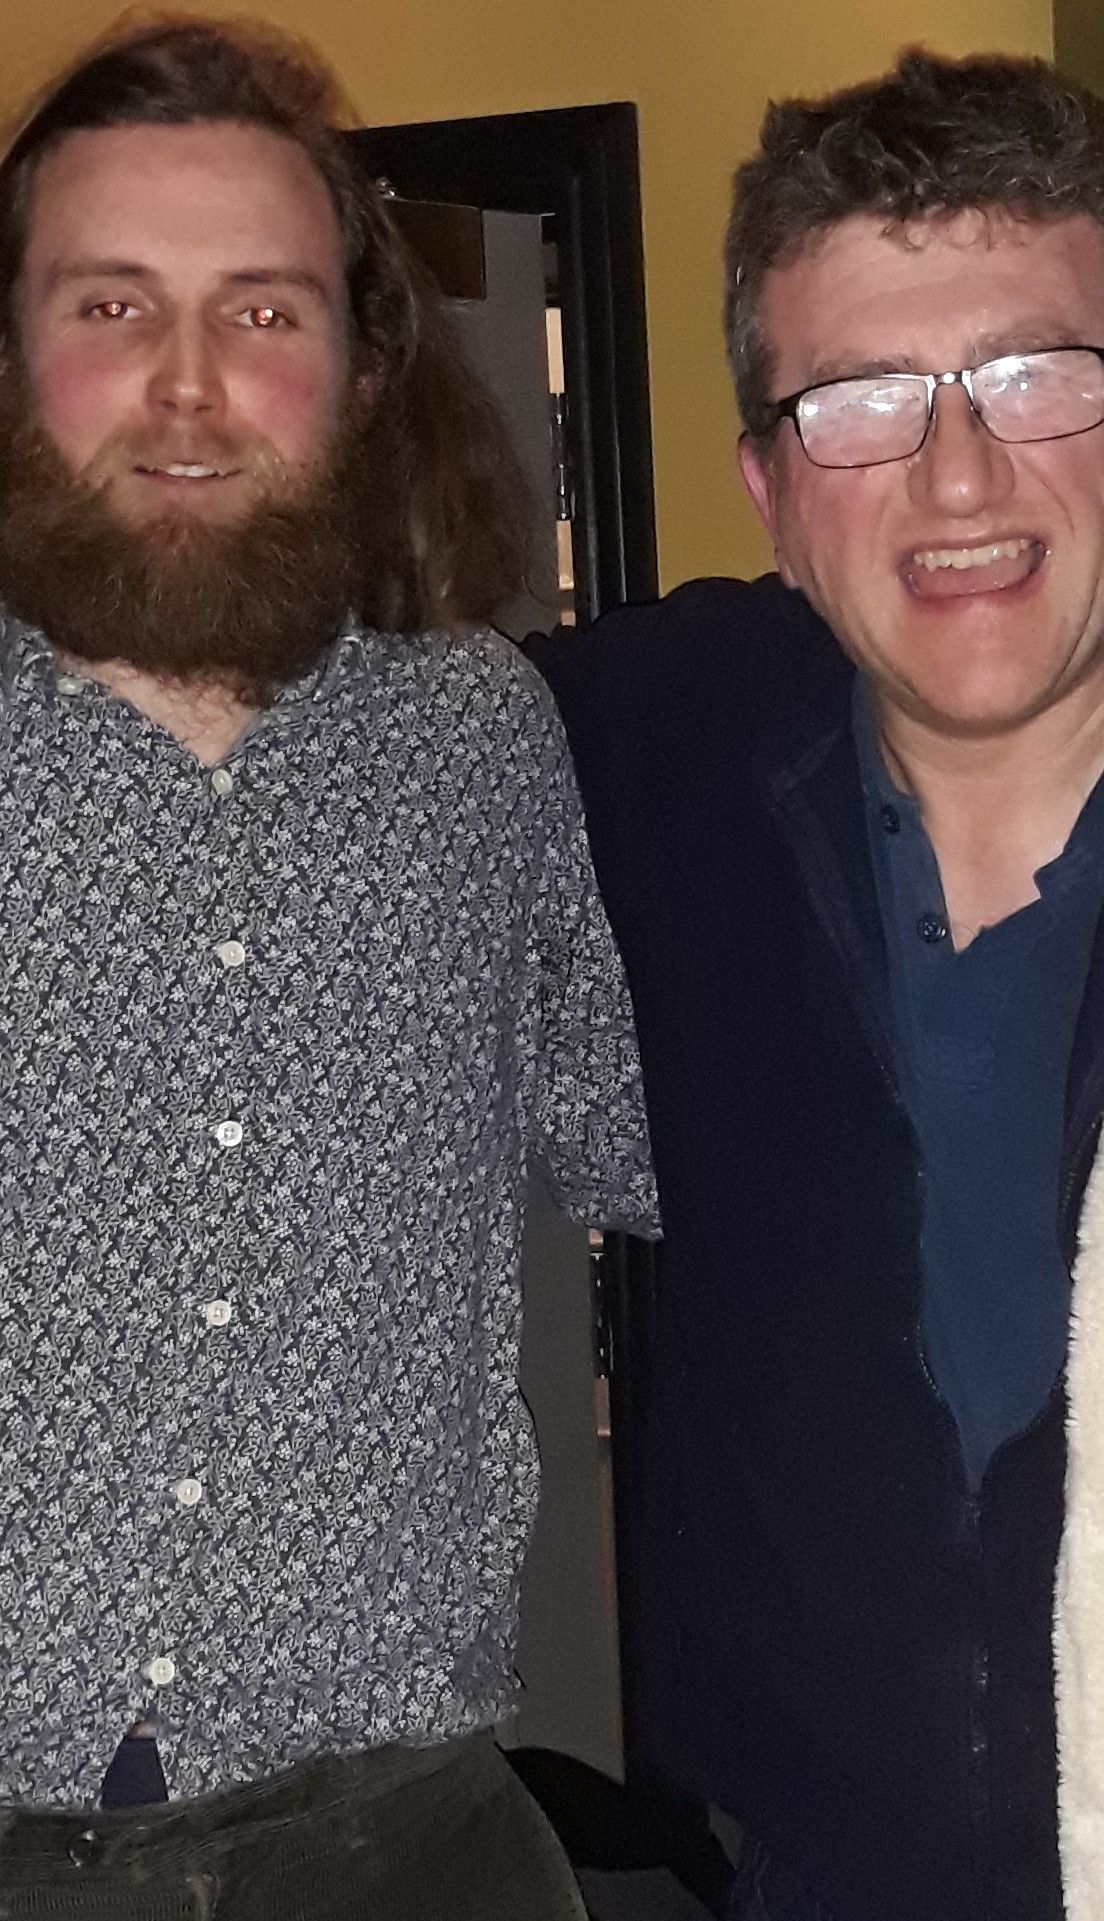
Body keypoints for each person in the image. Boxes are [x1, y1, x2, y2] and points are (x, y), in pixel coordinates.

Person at [0, 17, 656, 1920]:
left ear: (366, 369)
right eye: (112, 305)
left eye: (264, 312)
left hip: (409, 1845)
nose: (188, 385)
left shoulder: (487, 744)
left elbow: (639, 1137)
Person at [529, 49, 1104, 1921]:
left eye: (1034, 374)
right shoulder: (656, 748)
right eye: (861, 403)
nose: (960, 475)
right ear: (769, 493)